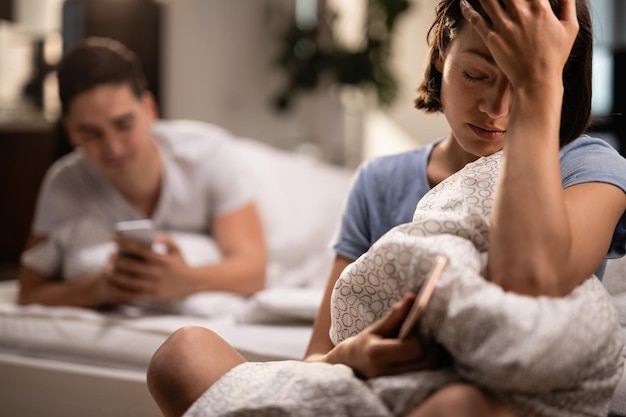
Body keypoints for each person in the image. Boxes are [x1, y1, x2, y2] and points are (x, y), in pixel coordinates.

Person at [146, 0, 626, 416]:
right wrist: (357, 354)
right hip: (370, 389)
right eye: (477, 74)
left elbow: (532, 277)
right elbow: (318, 360)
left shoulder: (590, 166)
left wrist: (540, 83)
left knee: (455, 407)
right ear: (442, 53)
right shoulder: (381, 181)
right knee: (182, 353)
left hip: (498, 397)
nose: (495, 108)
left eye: (519, 83)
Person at [18, 37, 268, 308]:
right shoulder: (65, 183)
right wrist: (101, 289)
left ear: (149, 109)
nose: (113, 147)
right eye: (90, 133)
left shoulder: (207, 154)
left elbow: (255, 270)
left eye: (123, 124)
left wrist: (189, 280)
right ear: (70, 132)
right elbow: (29, 292)